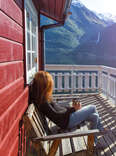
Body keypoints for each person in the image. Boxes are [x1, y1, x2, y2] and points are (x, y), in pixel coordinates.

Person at [30, 71, 106, 146]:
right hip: (68, 122)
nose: (51, 85)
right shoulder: (43, 102)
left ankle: (94, 142)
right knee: (93, 107)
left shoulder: (43, 97)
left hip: (67, 118)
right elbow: (56, 115)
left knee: (95, 116)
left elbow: (59, 108)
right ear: (45, 85)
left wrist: (72, 108)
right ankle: (101, 130)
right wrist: (74, 109)